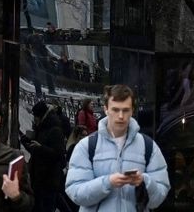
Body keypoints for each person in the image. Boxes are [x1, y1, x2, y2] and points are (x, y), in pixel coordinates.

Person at [66, 84, 170, 212]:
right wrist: (107, 182)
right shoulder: (86, 146)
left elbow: (159, 197)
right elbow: (76, 192)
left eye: (125, 110)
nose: (121, 116)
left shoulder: (148, 146)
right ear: (106, 109)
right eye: (115, 110)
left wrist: (144, 181)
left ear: (132, 110)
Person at [21, 100, 69, 212]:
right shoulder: (42, 128)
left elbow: (59, 155)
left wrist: (40, 148)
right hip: (38, 180)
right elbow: (37, 151)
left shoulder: (55, 130)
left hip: (48, 181)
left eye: (35, 116)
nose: (34, 119)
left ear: (41, 116)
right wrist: (26, 140)